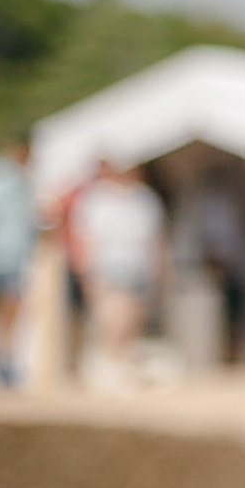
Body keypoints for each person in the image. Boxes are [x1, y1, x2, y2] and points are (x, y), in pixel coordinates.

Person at [70, 160, 167, 387]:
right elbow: (85, 238)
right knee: (113, 316)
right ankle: (111, 362)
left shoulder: (145, 199)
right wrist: (86, 270)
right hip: (108, 266)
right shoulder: (97, 199)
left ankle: (121, 363)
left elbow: (156, 238)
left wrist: (159, 267)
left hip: (137, 265)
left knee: (132, 316)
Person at [0, 138, 33, 387]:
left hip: (13, 258)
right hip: (8, 257)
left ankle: (7, 364)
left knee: (11, 315)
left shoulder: (23, 182)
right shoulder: (11, 180)